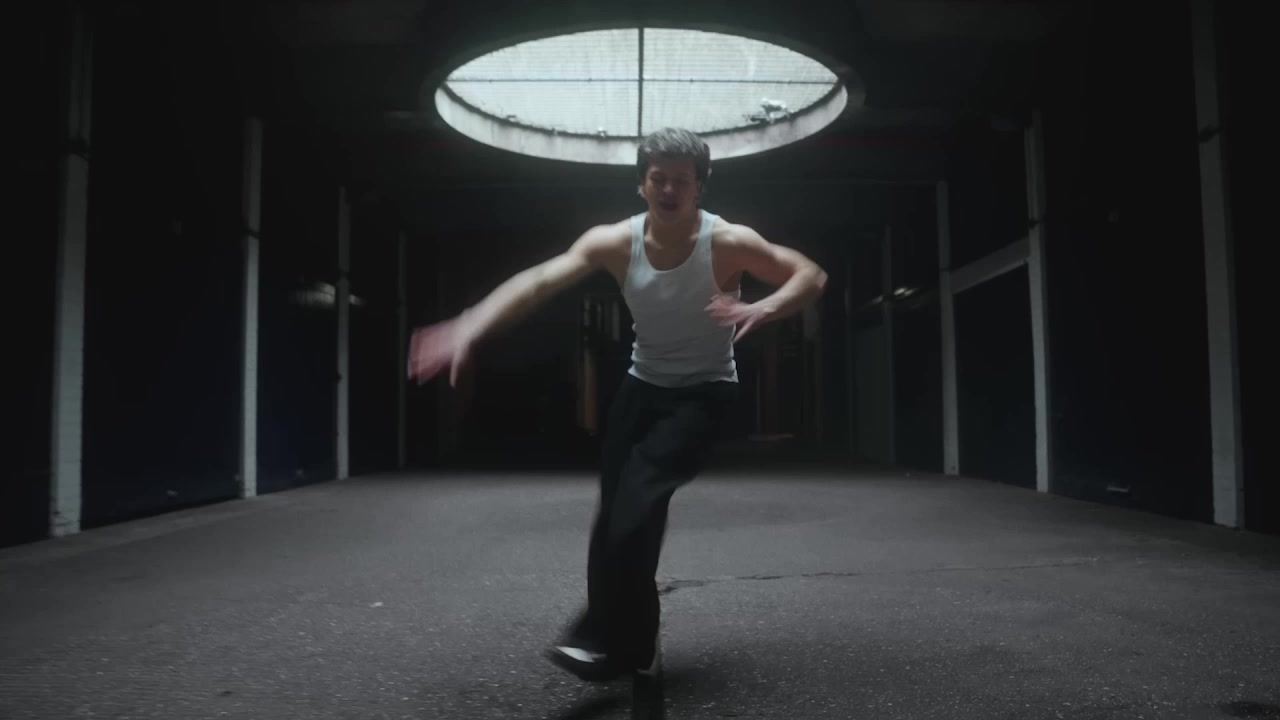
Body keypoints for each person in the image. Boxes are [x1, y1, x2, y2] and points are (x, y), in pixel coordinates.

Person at [407, 127, 827, 681]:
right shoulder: (614, 242)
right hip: (640, 389)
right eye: (659, 178)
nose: (669, 190)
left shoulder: (728, 241)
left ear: (699, 187)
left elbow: (809, 274)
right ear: (641, 184)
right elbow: (538, 281)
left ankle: (604, 639)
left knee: (637, 506)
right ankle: (631, 643)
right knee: (615, 515)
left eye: (682, 181)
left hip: (703, 393)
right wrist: (470, 323)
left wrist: (766, 308)